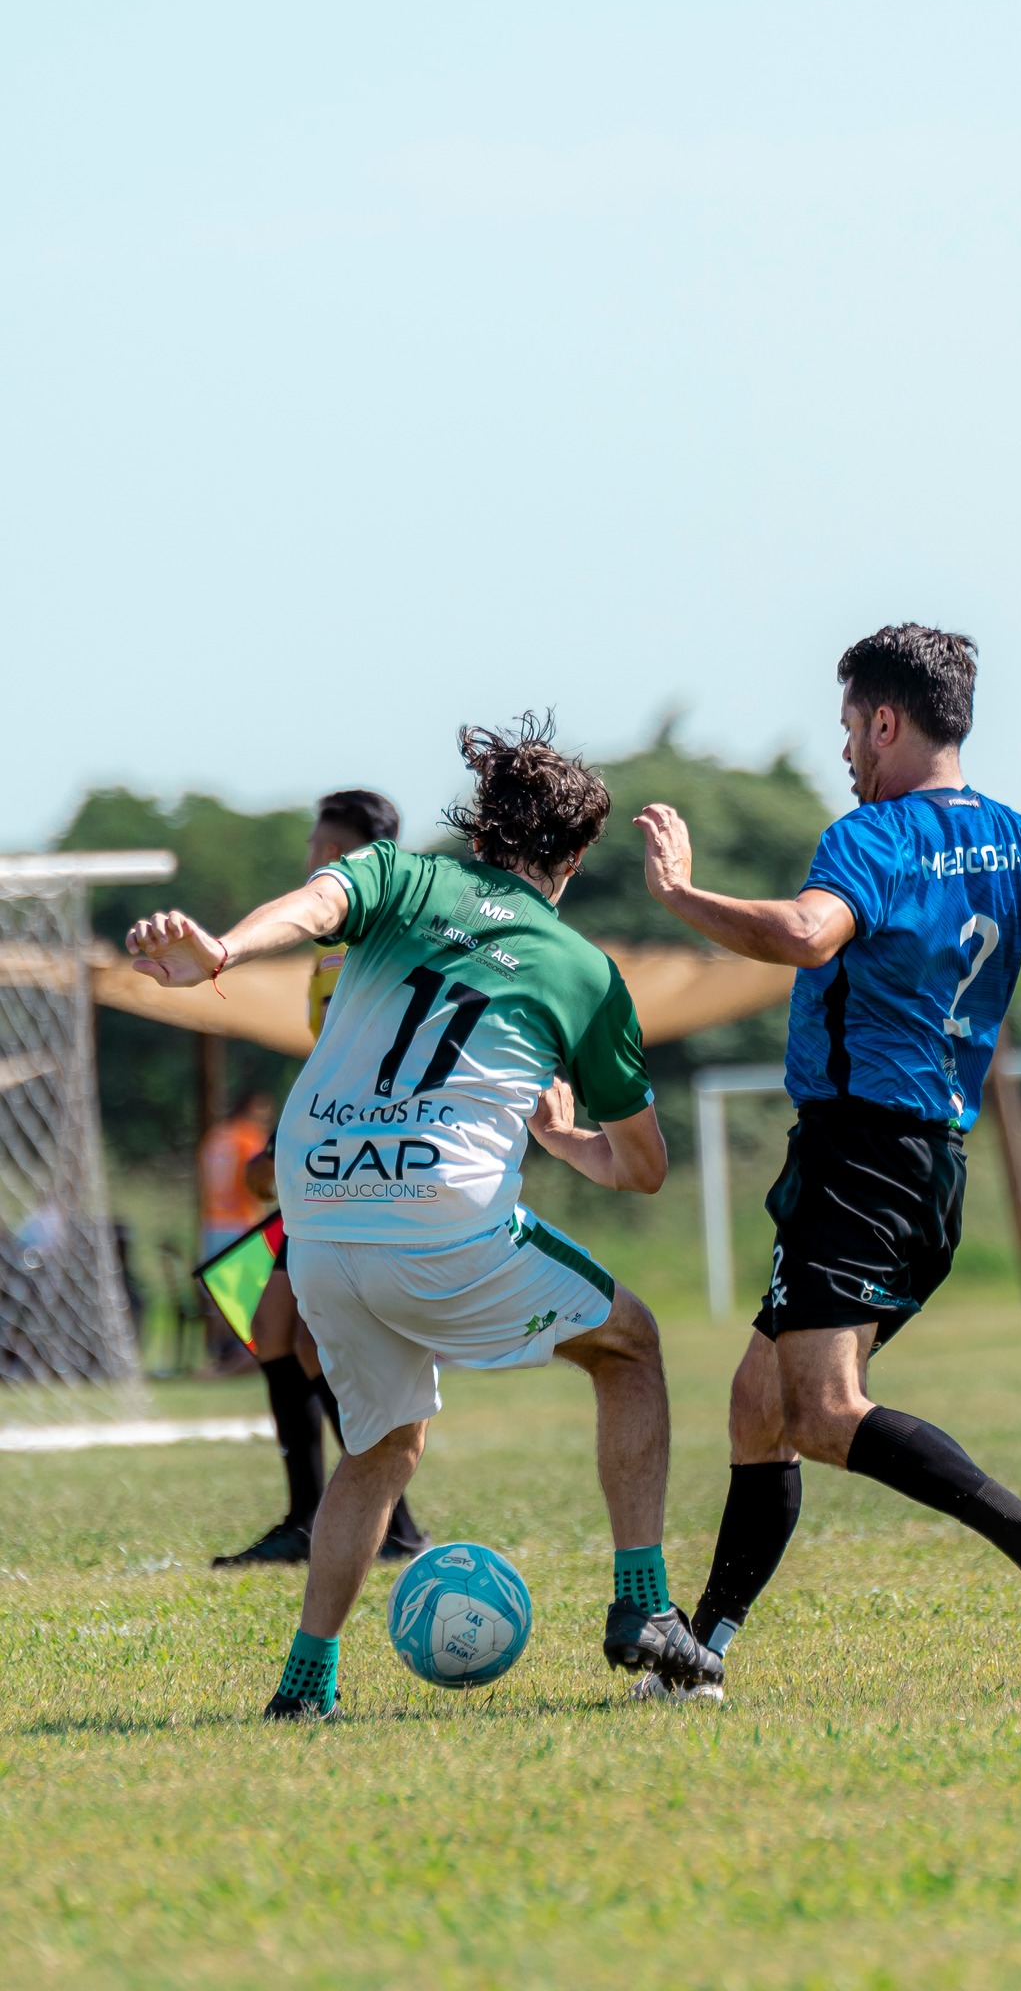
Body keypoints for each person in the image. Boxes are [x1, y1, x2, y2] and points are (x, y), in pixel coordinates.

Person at [633, 624, 1021, 1700]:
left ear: (887, 720)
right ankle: (700, 1658)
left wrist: (683, 896)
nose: (845, 751)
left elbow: (801, 933)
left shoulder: (870, 838)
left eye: (849, 727)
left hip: (864, 1157)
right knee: (759, 1404)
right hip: (922, 1160)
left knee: (823, 1410)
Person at [126, 713, 723, 1720]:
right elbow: (645, 1168)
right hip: (438, 1216)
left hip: (314, 1215)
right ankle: (646, 1608)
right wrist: (567, 1139)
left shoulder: (399, 875)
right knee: (630, 1346)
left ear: (482, 828)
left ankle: (305, 1684)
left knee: (383, 1445)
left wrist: (219, 948)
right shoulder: (579, 967)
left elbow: (318, 904)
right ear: (573, 856)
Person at [213, 789, 425, 1569]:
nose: (309, 859)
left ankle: (370, 1517)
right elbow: (331, 1055)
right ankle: (344, 1518)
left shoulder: (366, 940)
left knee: (297, 1334)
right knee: (279, 1331)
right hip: (327, 1154)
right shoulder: (335, 949)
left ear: (341, 859)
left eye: (317, 847)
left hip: (352, 1163)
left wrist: (291, 1143)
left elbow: (364, 1058)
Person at [198, 1090, 275, 1369]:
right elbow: (257, 1181)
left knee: (219, 1295)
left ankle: (220, 1354)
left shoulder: (216, 1136)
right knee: (246, 1295)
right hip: (241, 1222)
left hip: (213, 1221)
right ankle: (240, 1357)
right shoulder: (248, 1137)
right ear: (252, 1108)